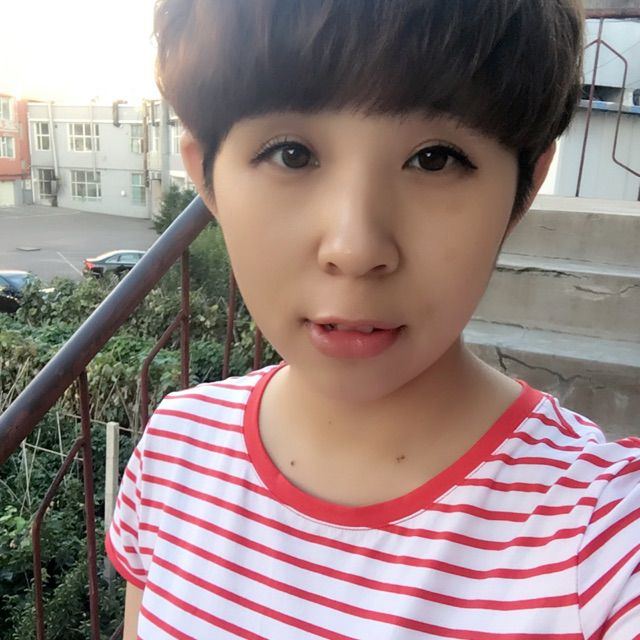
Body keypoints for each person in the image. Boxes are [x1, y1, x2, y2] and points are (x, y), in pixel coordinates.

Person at [107, 1, 640, 638]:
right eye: (292, 154)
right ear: (206, 177)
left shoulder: (599, 537)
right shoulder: (176, 450)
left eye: (435, 159)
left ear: (524, 189)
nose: (356, 248)